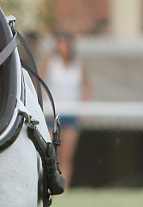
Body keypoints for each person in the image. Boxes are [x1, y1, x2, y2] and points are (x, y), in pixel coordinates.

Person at [40, 31, 91, 187]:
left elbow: (87, 86)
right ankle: (47, 184)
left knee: (66, 155)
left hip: (71, 113)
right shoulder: (50, 61)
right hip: (51, 113)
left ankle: (64, 187)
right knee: (49, 153)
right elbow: (38, 83)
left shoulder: (78, 63)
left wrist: (83, 106)